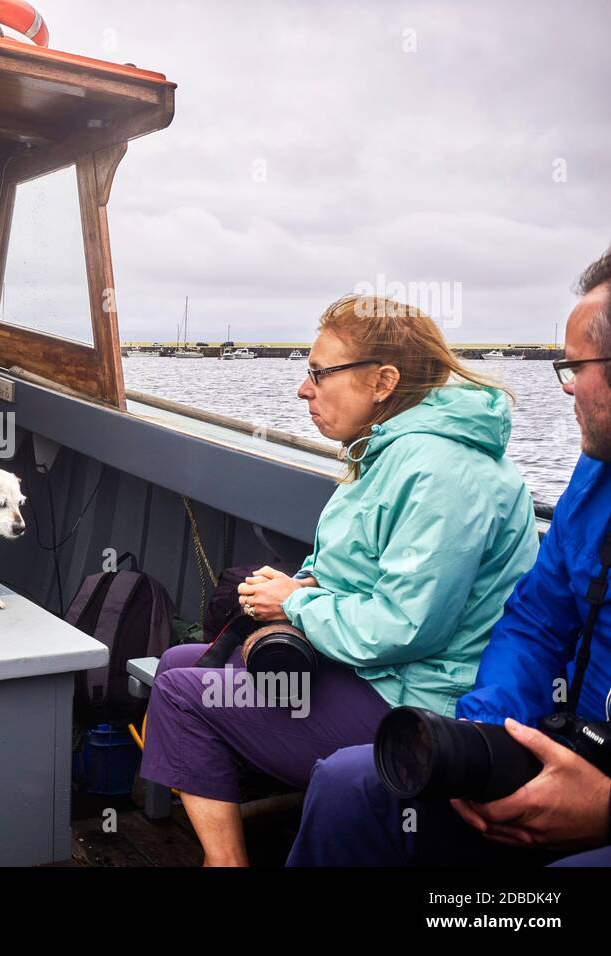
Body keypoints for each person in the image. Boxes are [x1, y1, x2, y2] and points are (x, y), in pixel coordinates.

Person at [139, 294, 539, 866]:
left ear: (383, 382)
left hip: (420, 702)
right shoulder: (390, 453)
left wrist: (297, 608)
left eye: (318, 373)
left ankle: (225, 864)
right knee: (181, 662)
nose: (305, 389)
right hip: (375, 671)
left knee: (181, 693)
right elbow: (357, 576)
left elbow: (406, 627)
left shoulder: (442, 472)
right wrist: (295, 589)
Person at [288, 249, 611, 867]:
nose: (566, 384)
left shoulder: (440, 469)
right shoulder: (595, 479)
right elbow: (537, 622)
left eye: (577, 366)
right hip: (560, 739)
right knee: (349, 789)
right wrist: (480, 738)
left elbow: (405, 623)